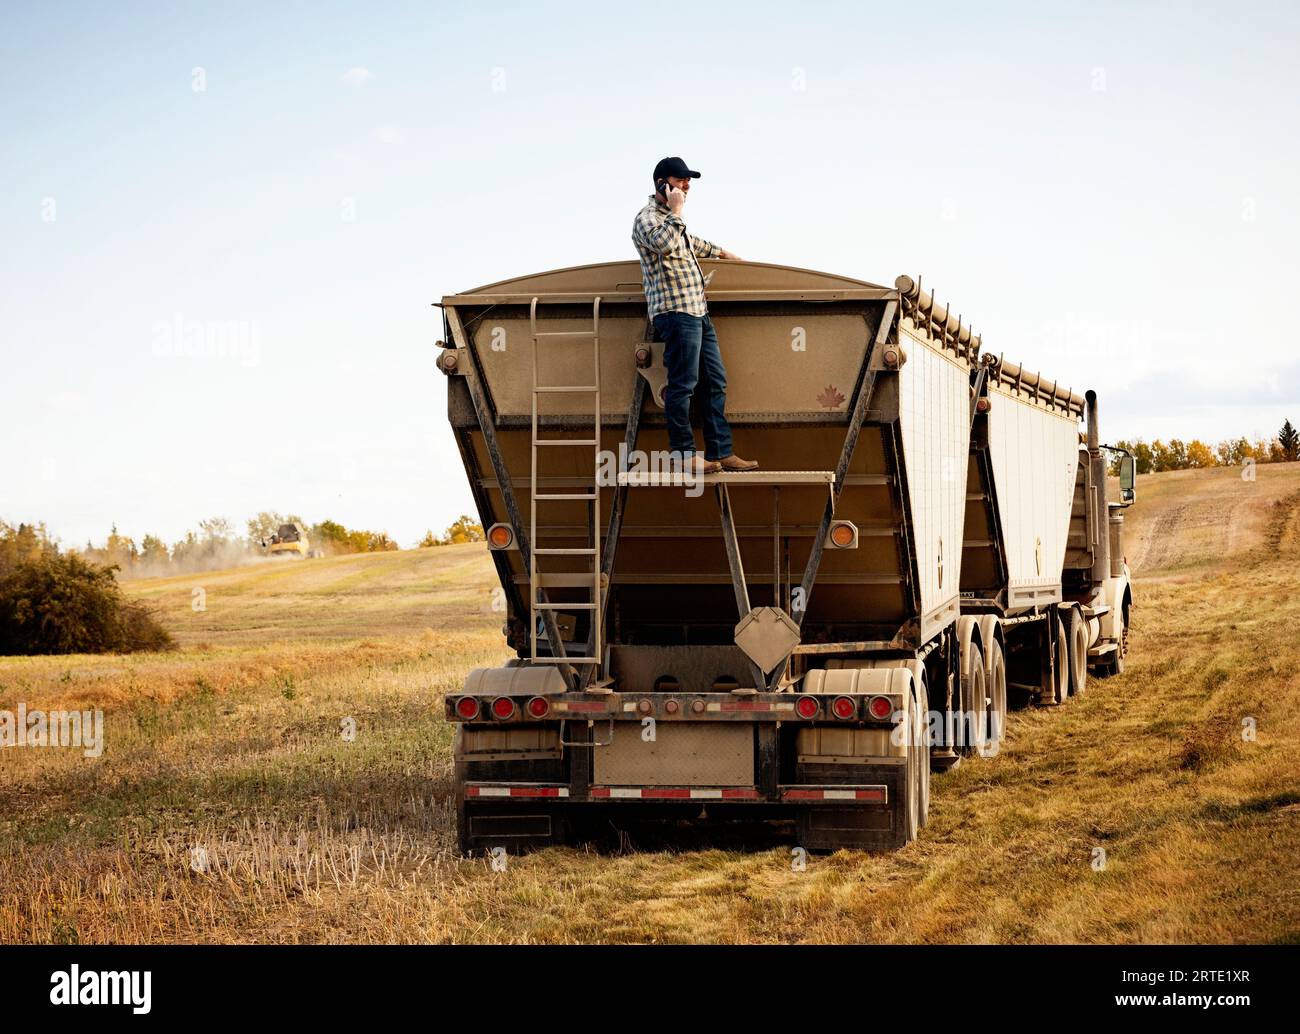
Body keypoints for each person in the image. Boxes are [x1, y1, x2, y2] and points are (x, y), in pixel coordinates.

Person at [632, 156, 759, 474]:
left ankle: (721, 452)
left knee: (715, 381)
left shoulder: (675, 221)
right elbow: (666, 243)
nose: (687, 186)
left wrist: (723, 253)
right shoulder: (647, 219)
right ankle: (684, 456)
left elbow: (691, 243)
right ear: (662, 183)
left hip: (697, 310)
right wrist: (677, 211)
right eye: (680, 180)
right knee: (683, 384)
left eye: (688, 181)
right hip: (674, 312)